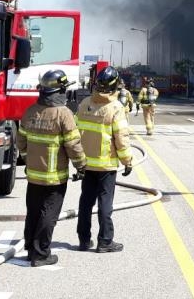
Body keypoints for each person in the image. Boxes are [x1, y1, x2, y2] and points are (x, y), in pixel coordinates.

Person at [17, 69, 86, 267]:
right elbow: (73, 145)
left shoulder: (30, 111)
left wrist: (28, 160)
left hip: (33, 175)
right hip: (54, 176)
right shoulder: (63, 114)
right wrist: (81, 166)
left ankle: (31, 250)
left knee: (34, 212)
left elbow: (21, 141)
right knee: (49, 215)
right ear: (61, 90)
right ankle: (41, 254)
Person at [76, 65, 133, 253]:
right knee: (105, 204)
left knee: (86, 202)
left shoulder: (85, 104)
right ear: (115, 85)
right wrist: (127, 161)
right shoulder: (116, 108)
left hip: (86, 164)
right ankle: (105, 241)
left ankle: (84, 240)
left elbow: (75, 134)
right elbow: (121, 138)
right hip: (106, 165)